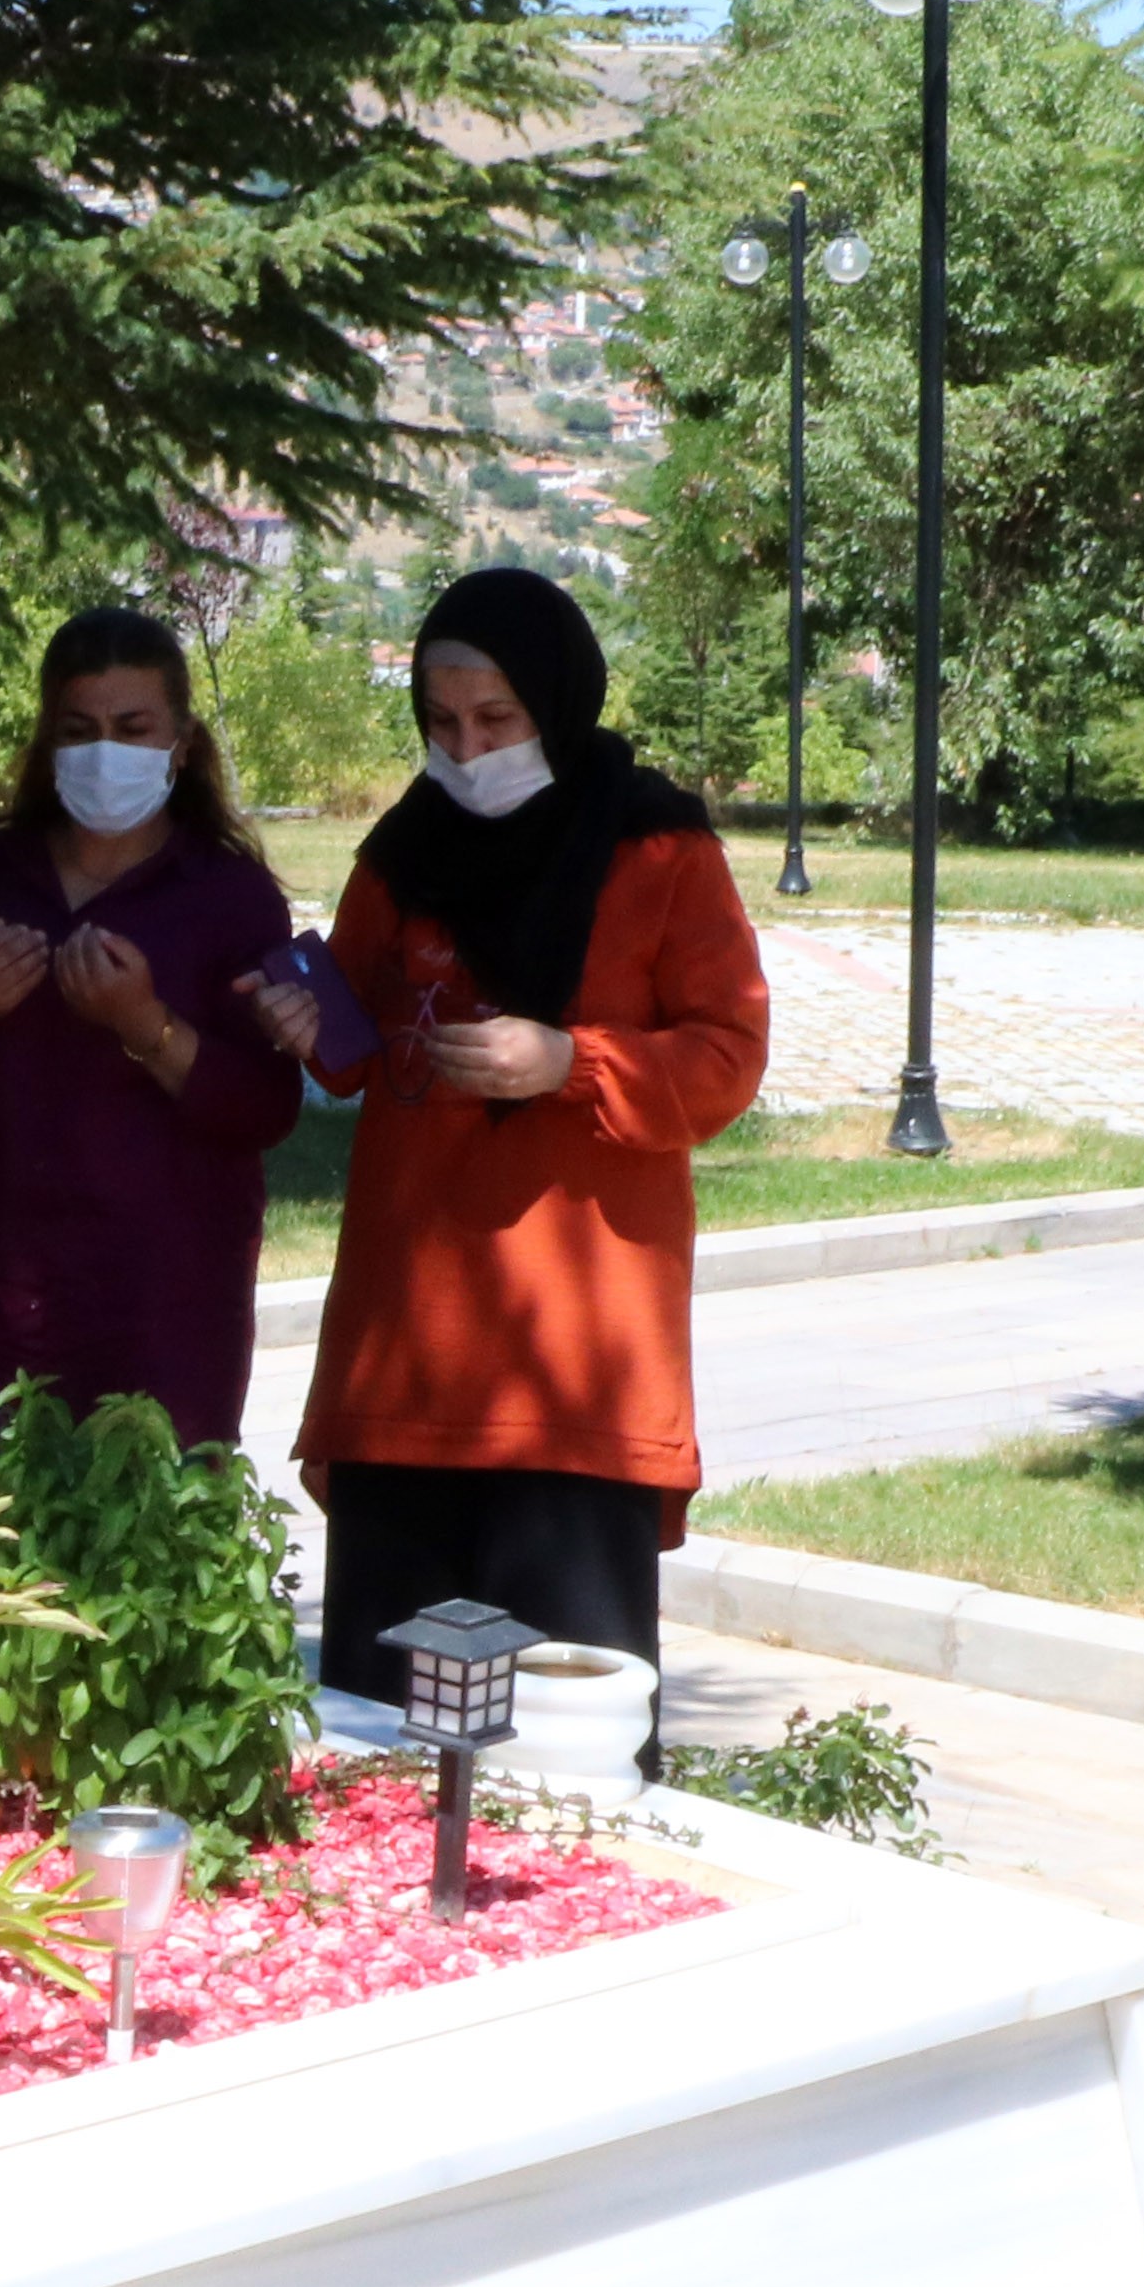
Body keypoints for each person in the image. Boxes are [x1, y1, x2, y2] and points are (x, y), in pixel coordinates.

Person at [286, 566, 768, 1723]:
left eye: (497, 719)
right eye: (441, 723)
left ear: (558, 700)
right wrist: (305, 1021)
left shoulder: (660, 852)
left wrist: (574, 1063)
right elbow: (356, 1038)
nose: (468, 747)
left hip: (575, 1361)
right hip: (410, 1355)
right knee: (381, 1738)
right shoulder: (404, 852)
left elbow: (728, 1052)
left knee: (568, 1747)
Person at [0, 606, 307, 1469]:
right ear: (48, 744)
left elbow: (263, 1106)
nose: (107, 752)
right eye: (81, 731)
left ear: (179, 744)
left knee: (152, 1590)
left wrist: (144, 1024)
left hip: (160, 1321)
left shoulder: (229, 894)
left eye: (132, 729)